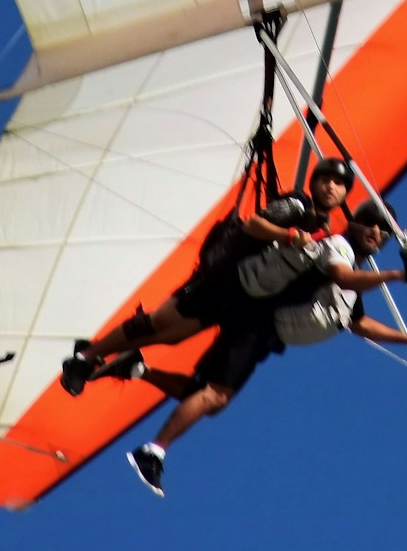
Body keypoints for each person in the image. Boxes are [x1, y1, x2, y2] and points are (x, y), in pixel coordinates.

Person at [120, 199, 407, 496]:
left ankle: (136, 367)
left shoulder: (353, 272)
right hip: (258, 322)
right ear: (354, 224)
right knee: (215, 394)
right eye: (370, 223)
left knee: (210, 398)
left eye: (382, 230)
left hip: (263, 333)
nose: (376, 232)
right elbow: (343, 277)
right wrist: (395, 275)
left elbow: (359, 323)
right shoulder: (339, 248)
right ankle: (153, 451)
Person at [60, 157, 357, 395]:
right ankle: (85, 357)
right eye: (325, 179)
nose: (330, 187)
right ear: (314, 182)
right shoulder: (298, 206)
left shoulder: (325, 230)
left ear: (345, 193)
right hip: (225, 271)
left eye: (339, 184)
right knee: (160, 320)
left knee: (173, 335)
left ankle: (102, 356)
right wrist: (289, 234)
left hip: (238, 293)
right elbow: (254, 225)